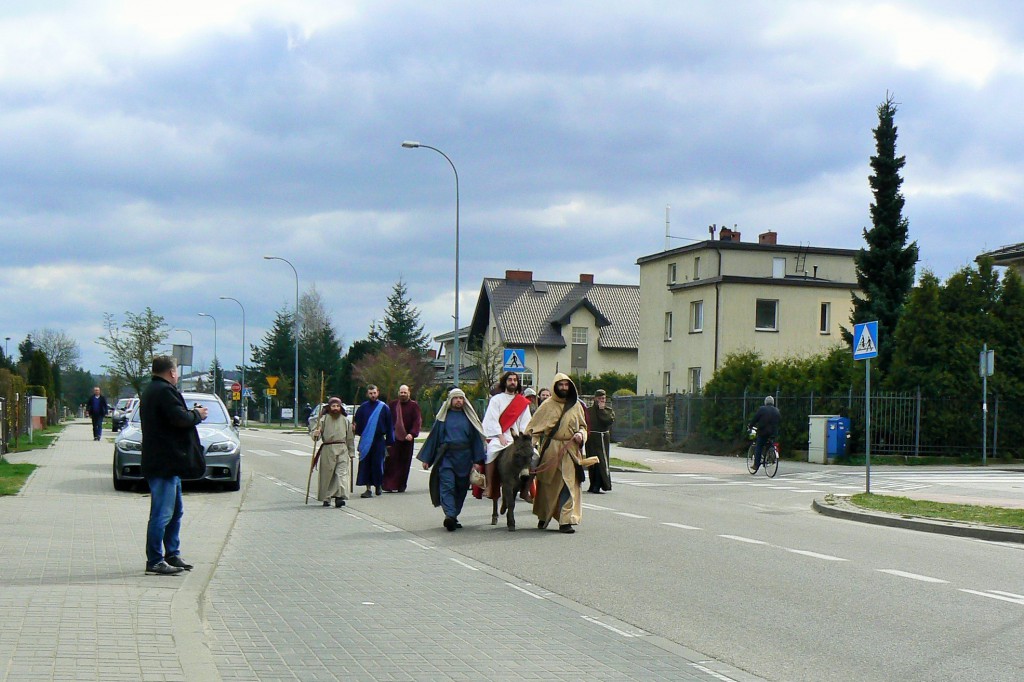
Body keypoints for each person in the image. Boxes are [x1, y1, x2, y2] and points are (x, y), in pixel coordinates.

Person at [139, 356, 208, 576]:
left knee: (176, 511)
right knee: (162, 513)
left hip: (166, 462)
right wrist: (198, 414)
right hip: (164, 463)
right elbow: (179, 418)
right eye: (176, 370)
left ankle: (172, 553)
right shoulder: (164, 391)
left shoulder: (153, 390)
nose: (177, 374)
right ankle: (155, 559)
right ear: (171, 372)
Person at [526, 373, 589, 534]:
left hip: (570, 451)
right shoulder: (547, 405)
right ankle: (544, 515)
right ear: (555, 386)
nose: (564, 388)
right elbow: (533, 429)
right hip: (552, 450)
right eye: (560, 385)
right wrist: (529, 449)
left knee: (568, 486)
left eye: (566, 385)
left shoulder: (576, 405)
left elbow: (583, 426)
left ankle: (565, 521)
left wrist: (581, 435)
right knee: (548, 487)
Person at [417, 388, 486, 531]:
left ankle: (453, 515)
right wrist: (427, 459)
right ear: (450, 400)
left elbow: (475, 441)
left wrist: (477, 461)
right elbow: (434, 438)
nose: (458, 401)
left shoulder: (469, 418)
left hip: (465, 458)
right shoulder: (443, 418)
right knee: (447, 486)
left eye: (461, 398)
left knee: (461, 489)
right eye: (456, 398)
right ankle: (449, 515)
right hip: (446, 457)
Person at [480, 371, 533, 502]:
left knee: (535, 455)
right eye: (510, 379)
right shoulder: (496, 400)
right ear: (505, 382)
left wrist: (523, 439)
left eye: (515, 380)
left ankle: (526, 489)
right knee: (491, 452)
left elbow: (525, 423)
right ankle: (489, 486)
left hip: (517, 439)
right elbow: (492, 419)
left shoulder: (522, 402)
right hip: (500, 437)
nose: (513, 382)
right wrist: (500, 435)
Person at [311, 397, 355, 507]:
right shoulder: (323, 419)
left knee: (341, 474)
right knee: (328, 474)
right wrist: (316, 434)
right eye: (333, 406)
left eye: (337, 406)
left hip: (342, 448)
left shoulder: (345, 420)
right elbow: (316, 435)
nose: (335, 408)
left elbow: (350, 437)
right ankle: (327, 497)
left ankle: (339, 497)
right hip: (328, 449)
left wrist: (351, 452)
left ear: (340, 407)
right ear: (329, 407)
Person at [353, 384, 394, 498]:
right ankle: (368, 488)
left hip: (379, 441)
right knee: (366, 464)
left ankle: (378, 485)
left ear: (378, 393)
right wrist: (354, 428)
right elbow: (358, 424)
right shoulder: (363, 408)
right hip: (366, 440)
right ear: (367, 394)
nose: (372, 395)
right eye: (370, 393)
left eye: (374, 393)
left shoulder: (384, 407)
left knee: (378, 464)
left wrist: (390, 441)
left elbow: (390, 425)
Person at [383, 384, 422, 493]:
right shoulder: (393, 405)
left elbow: (417, 421)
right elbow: (387, 419)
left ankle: (401, 485)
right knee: (391, 461)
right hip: (394, 439)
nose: (403, 394)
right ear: (398, 393)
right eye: (401, 392)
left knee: (404, 463)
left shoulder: (414, 406)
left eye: (405, 392)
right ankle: (388, 485)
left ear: (409, 393)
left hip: (407, 439)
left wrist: (412, 433)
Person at [586, 389, 615, 493]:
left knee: (601, 462)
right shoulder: (588, 411)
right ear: (595, 399)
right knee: (591, 461)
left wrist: (602, 410)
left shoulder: (608, 410)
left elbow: (608, 421)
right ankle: (592, 483)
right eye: (599, 398)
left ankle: (600, 484)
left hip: (602, 438)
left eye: (603, 398)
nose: (601, 400)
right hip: (591, 438)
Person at [748, 395, 781, 473]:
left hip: (763, 432)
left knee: (759, 446)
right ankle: (770, 457)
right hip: (773, 433)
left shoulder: (762, 409)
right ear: (773, 403)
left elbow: (755, 419)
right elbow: (779, 420)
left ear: (765, 402)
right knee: (771, 444)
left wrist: (750, 426)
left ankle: (756, 465)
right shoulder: (777, 410)